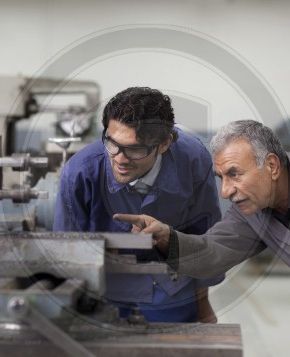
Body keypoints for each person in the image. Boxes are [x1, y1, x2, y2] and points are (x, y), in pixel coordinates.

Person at [114, 119, 290, 356]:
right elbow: (213, 252)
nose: (226, 191)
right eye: (221, 177)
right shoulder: (252, 214)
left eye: (234, 174)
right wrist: (167, 238)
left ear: (272, 166)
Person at [53, 87, 223, 323]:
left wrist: (203, 305)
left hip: (171, 293)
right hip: (102, 292)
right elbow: (65, 255)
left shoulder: (192, 160)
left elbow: (203, 237)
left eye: (134, 149)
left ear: (164, 144)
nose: (119, 158)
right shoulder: (79, 173)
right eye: (111, 143)